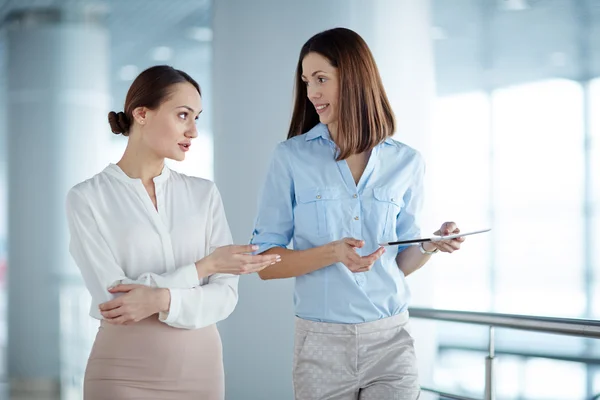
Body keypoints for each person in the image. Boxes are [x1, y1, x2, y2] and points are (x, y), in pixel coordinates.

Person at [250, 28, 465, 400]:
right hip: (320, 342)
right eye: (306, 82)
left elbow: (399, 263)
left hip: (391, 340)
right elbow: (266, 264)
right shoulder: (291, 157)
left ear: (353, 78)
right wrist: (332, 253)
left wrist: (430, 244)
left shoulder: (406, 161)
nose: (311, 93)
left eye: (321, 79)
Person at [66, 65, 280, 400]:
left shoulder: (203, 194)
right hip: (122, 372)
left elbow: (225, 296)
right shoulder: (87, 198)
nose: (193, 131)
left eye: (197, 118)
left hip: (201, 371)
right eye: (183, 115)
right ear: (141, 114)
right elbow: (116, 301)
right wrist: (203, 268)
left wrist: (158, 299)